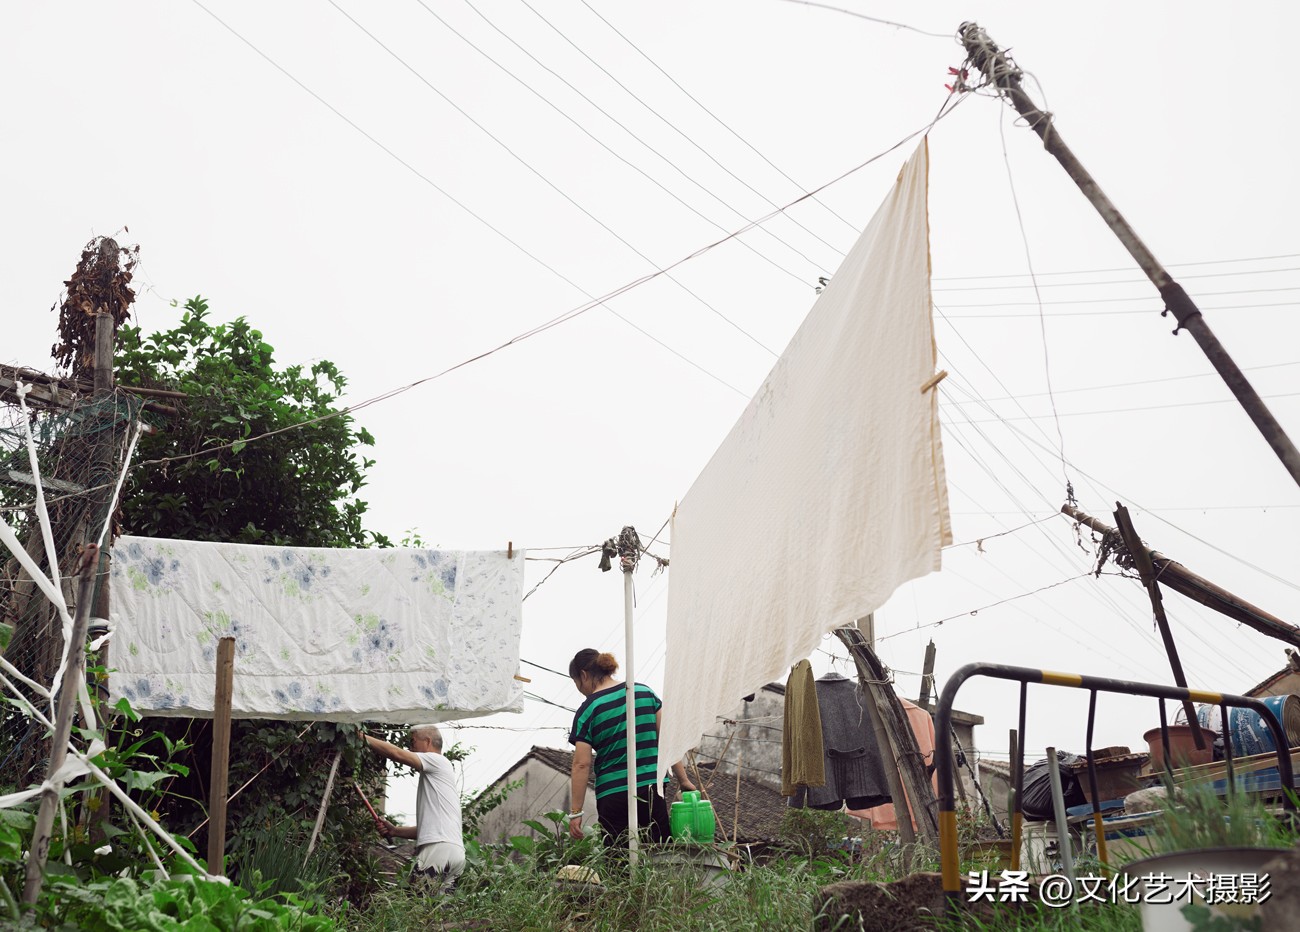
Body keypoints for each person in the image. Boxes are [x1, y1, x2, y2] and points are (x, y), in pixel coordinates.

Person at [566, 648, 695, 846]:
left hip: (612, 794)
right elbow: (667, 741)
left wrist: (576, 812)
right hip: (651, 787)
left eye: (576, 683)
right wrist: (684, 780)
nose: (580, 690)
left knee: (618, 861)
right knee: (660, 853)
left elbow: (581, 765)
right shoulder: (645, 693)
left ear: (583, 675)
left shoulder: (588, 710)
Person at [361, 724, 464, 892]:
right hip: (454, 852)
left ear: (428, 741)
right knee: (437, 913)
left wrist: (360, 736)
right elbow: (428, 829)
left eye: (413, 741)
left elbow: (396, 753)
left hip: (438, 850)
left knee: (415, 906)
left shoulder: (437, 761)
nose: (410, 747)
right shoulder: (441, 776)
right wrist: (395, 831)